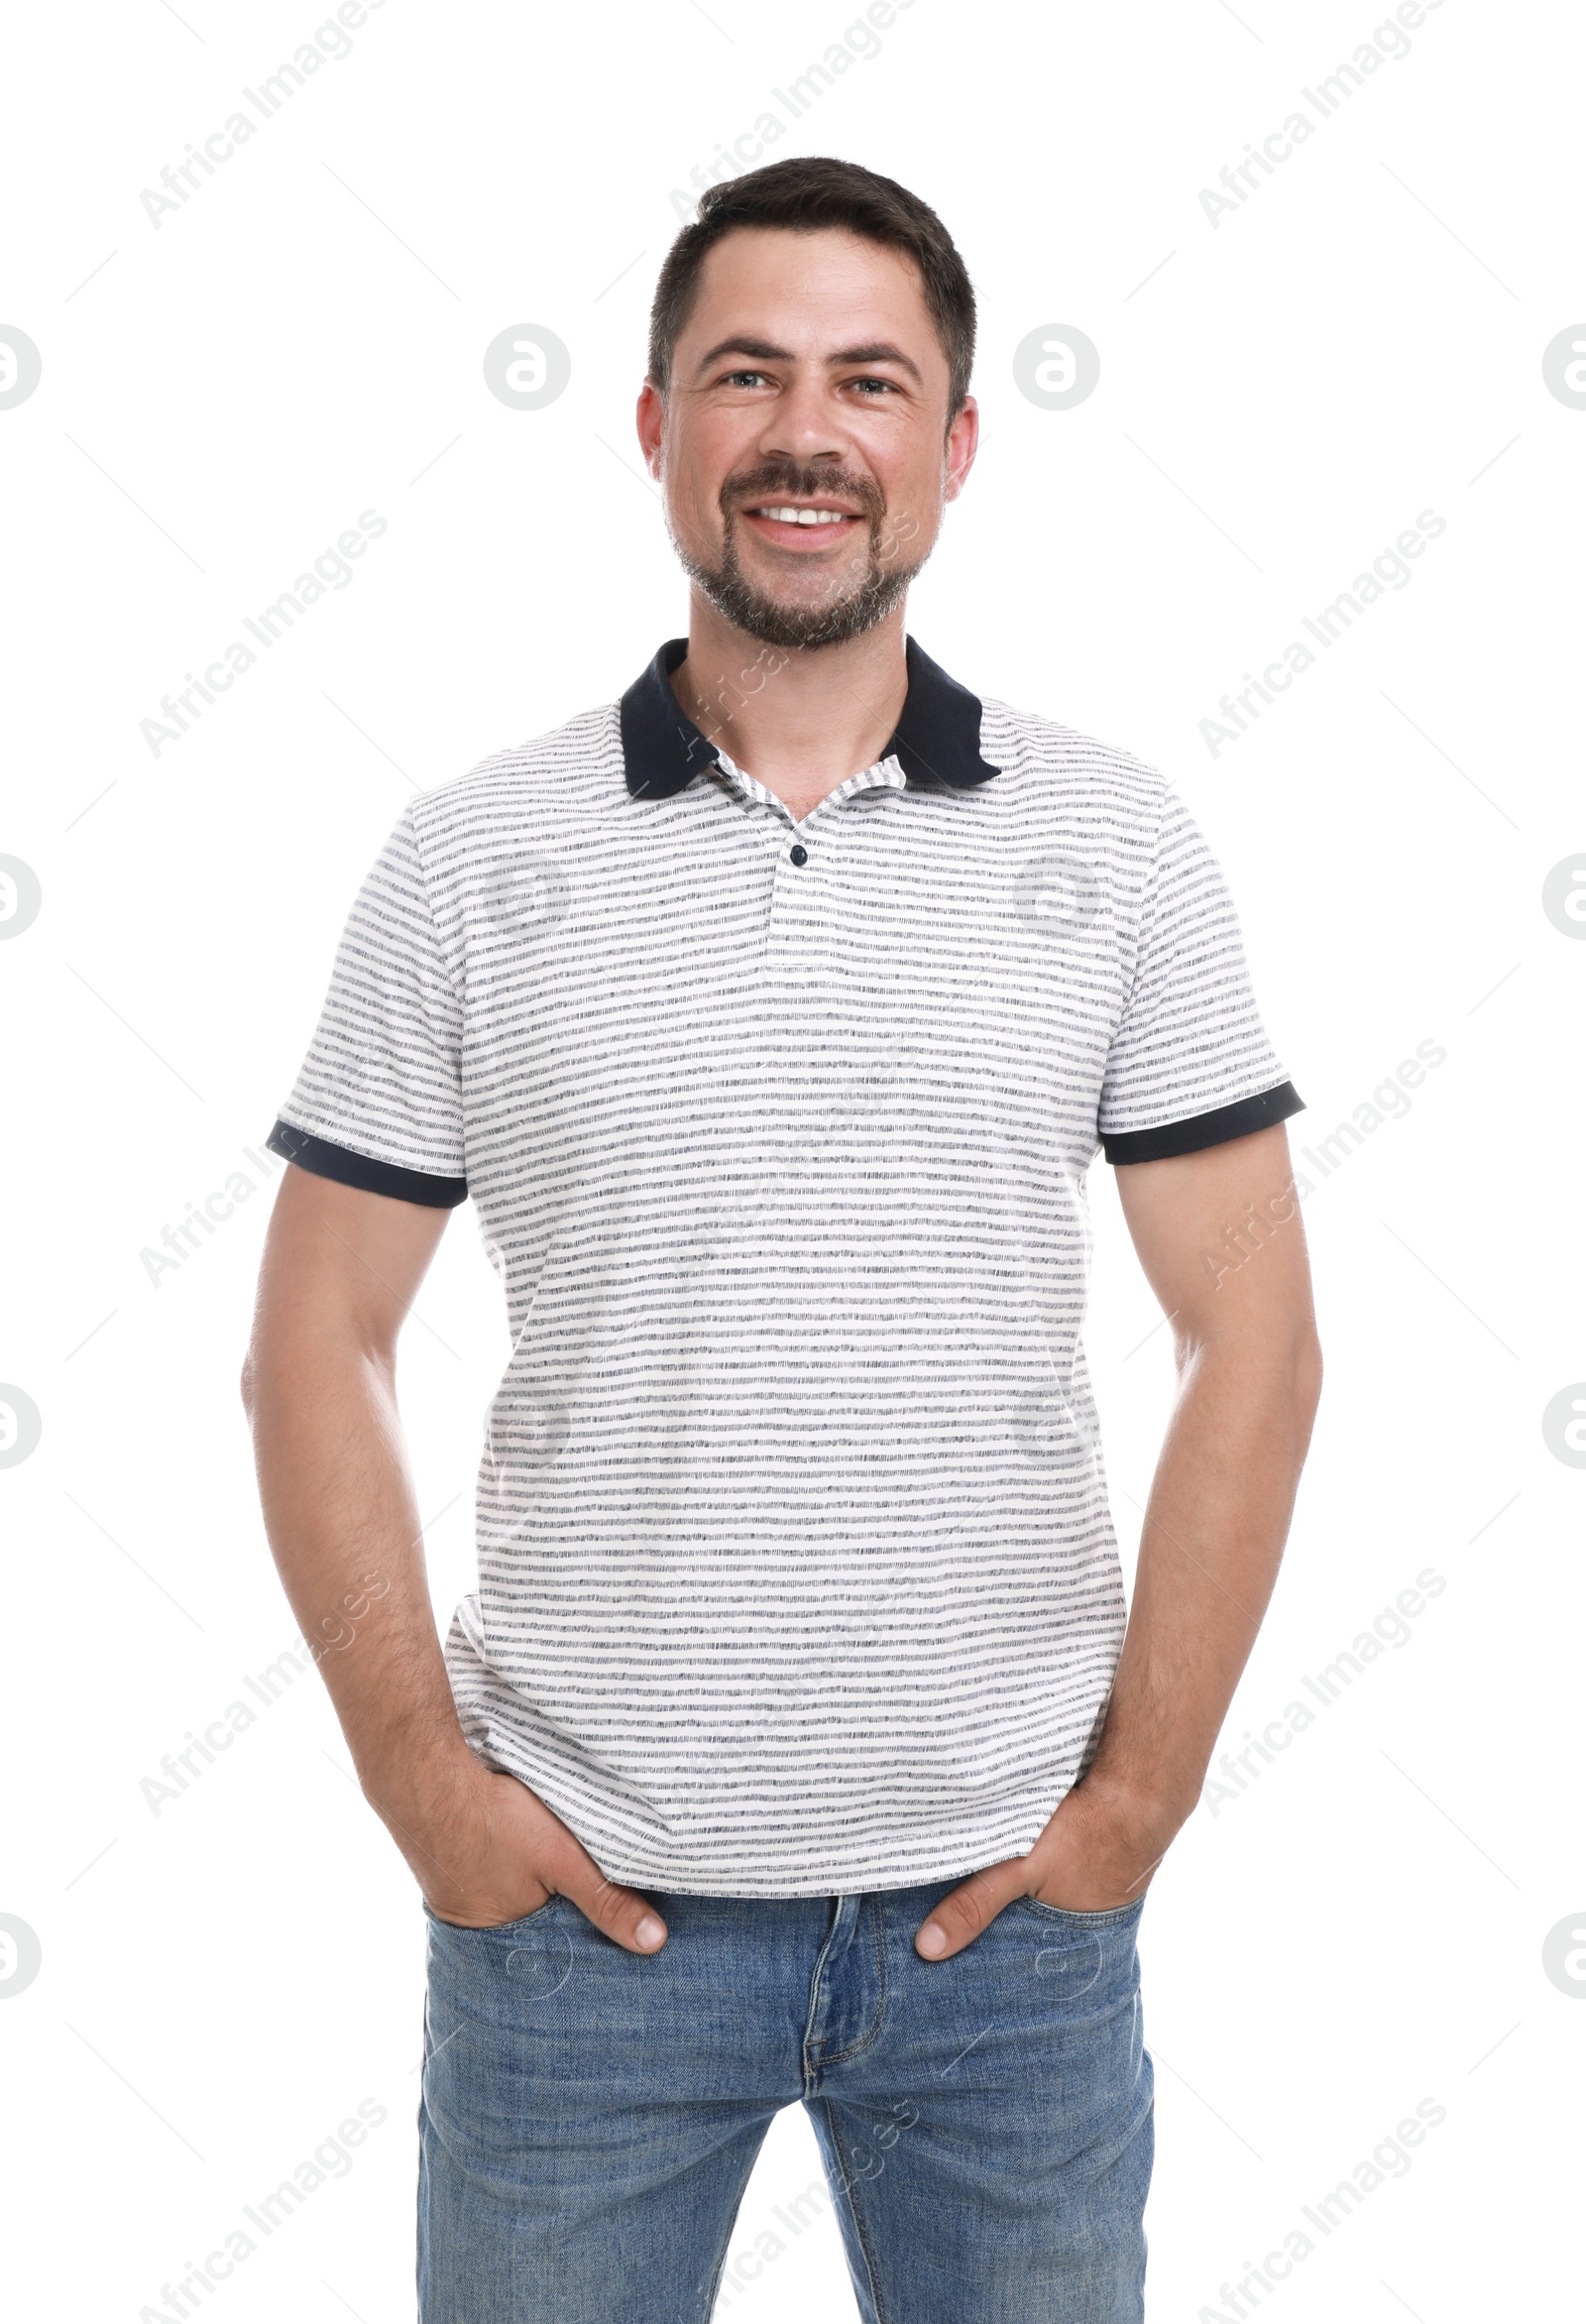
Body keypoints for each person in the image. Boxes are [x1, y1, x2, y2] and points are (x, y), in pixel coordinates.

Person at [242, 155, 1322, 2324]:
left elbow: (1255, 1344)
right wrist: (419, 1789)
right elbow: (314, 1344)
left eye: (866, 379)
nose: (802, 432)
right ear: (655, 427)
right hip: (578, 1927)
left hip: (1004, 1933)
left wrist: (1131, 1807)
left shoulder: (1110, 845)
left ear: (951, 444)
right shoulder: (468, 860)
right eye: (745, 374)